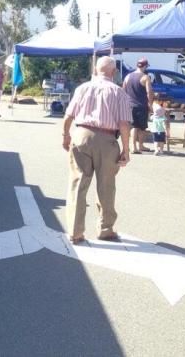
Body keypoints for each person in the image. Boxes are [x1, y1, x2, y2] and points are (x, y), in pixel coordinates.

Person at [62, 56, 132, 245]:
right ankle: (105, 229)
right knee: (106, 186)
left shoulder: (82, 88)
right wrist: (126, 149)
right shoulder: (119, 92)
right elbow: (124, 124)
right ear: (114, 72)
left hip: (81, 135)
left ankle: (75, 232)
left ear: (95, 70)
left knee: (78, 184)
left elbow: (68, 116)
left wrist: (66, 136)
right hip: (107, 139)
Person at [122, 57, 154, 154]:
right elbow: (149, 92)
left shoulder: (128, 76)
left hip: (129, 105)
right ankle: (136, 147)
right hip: (141, 105)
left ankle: (137, 146)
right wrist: (150, 104)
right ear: (145, 66)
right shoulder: (145, 77)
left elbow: (123, 90)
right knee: (140, 127)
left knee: (134, 126)